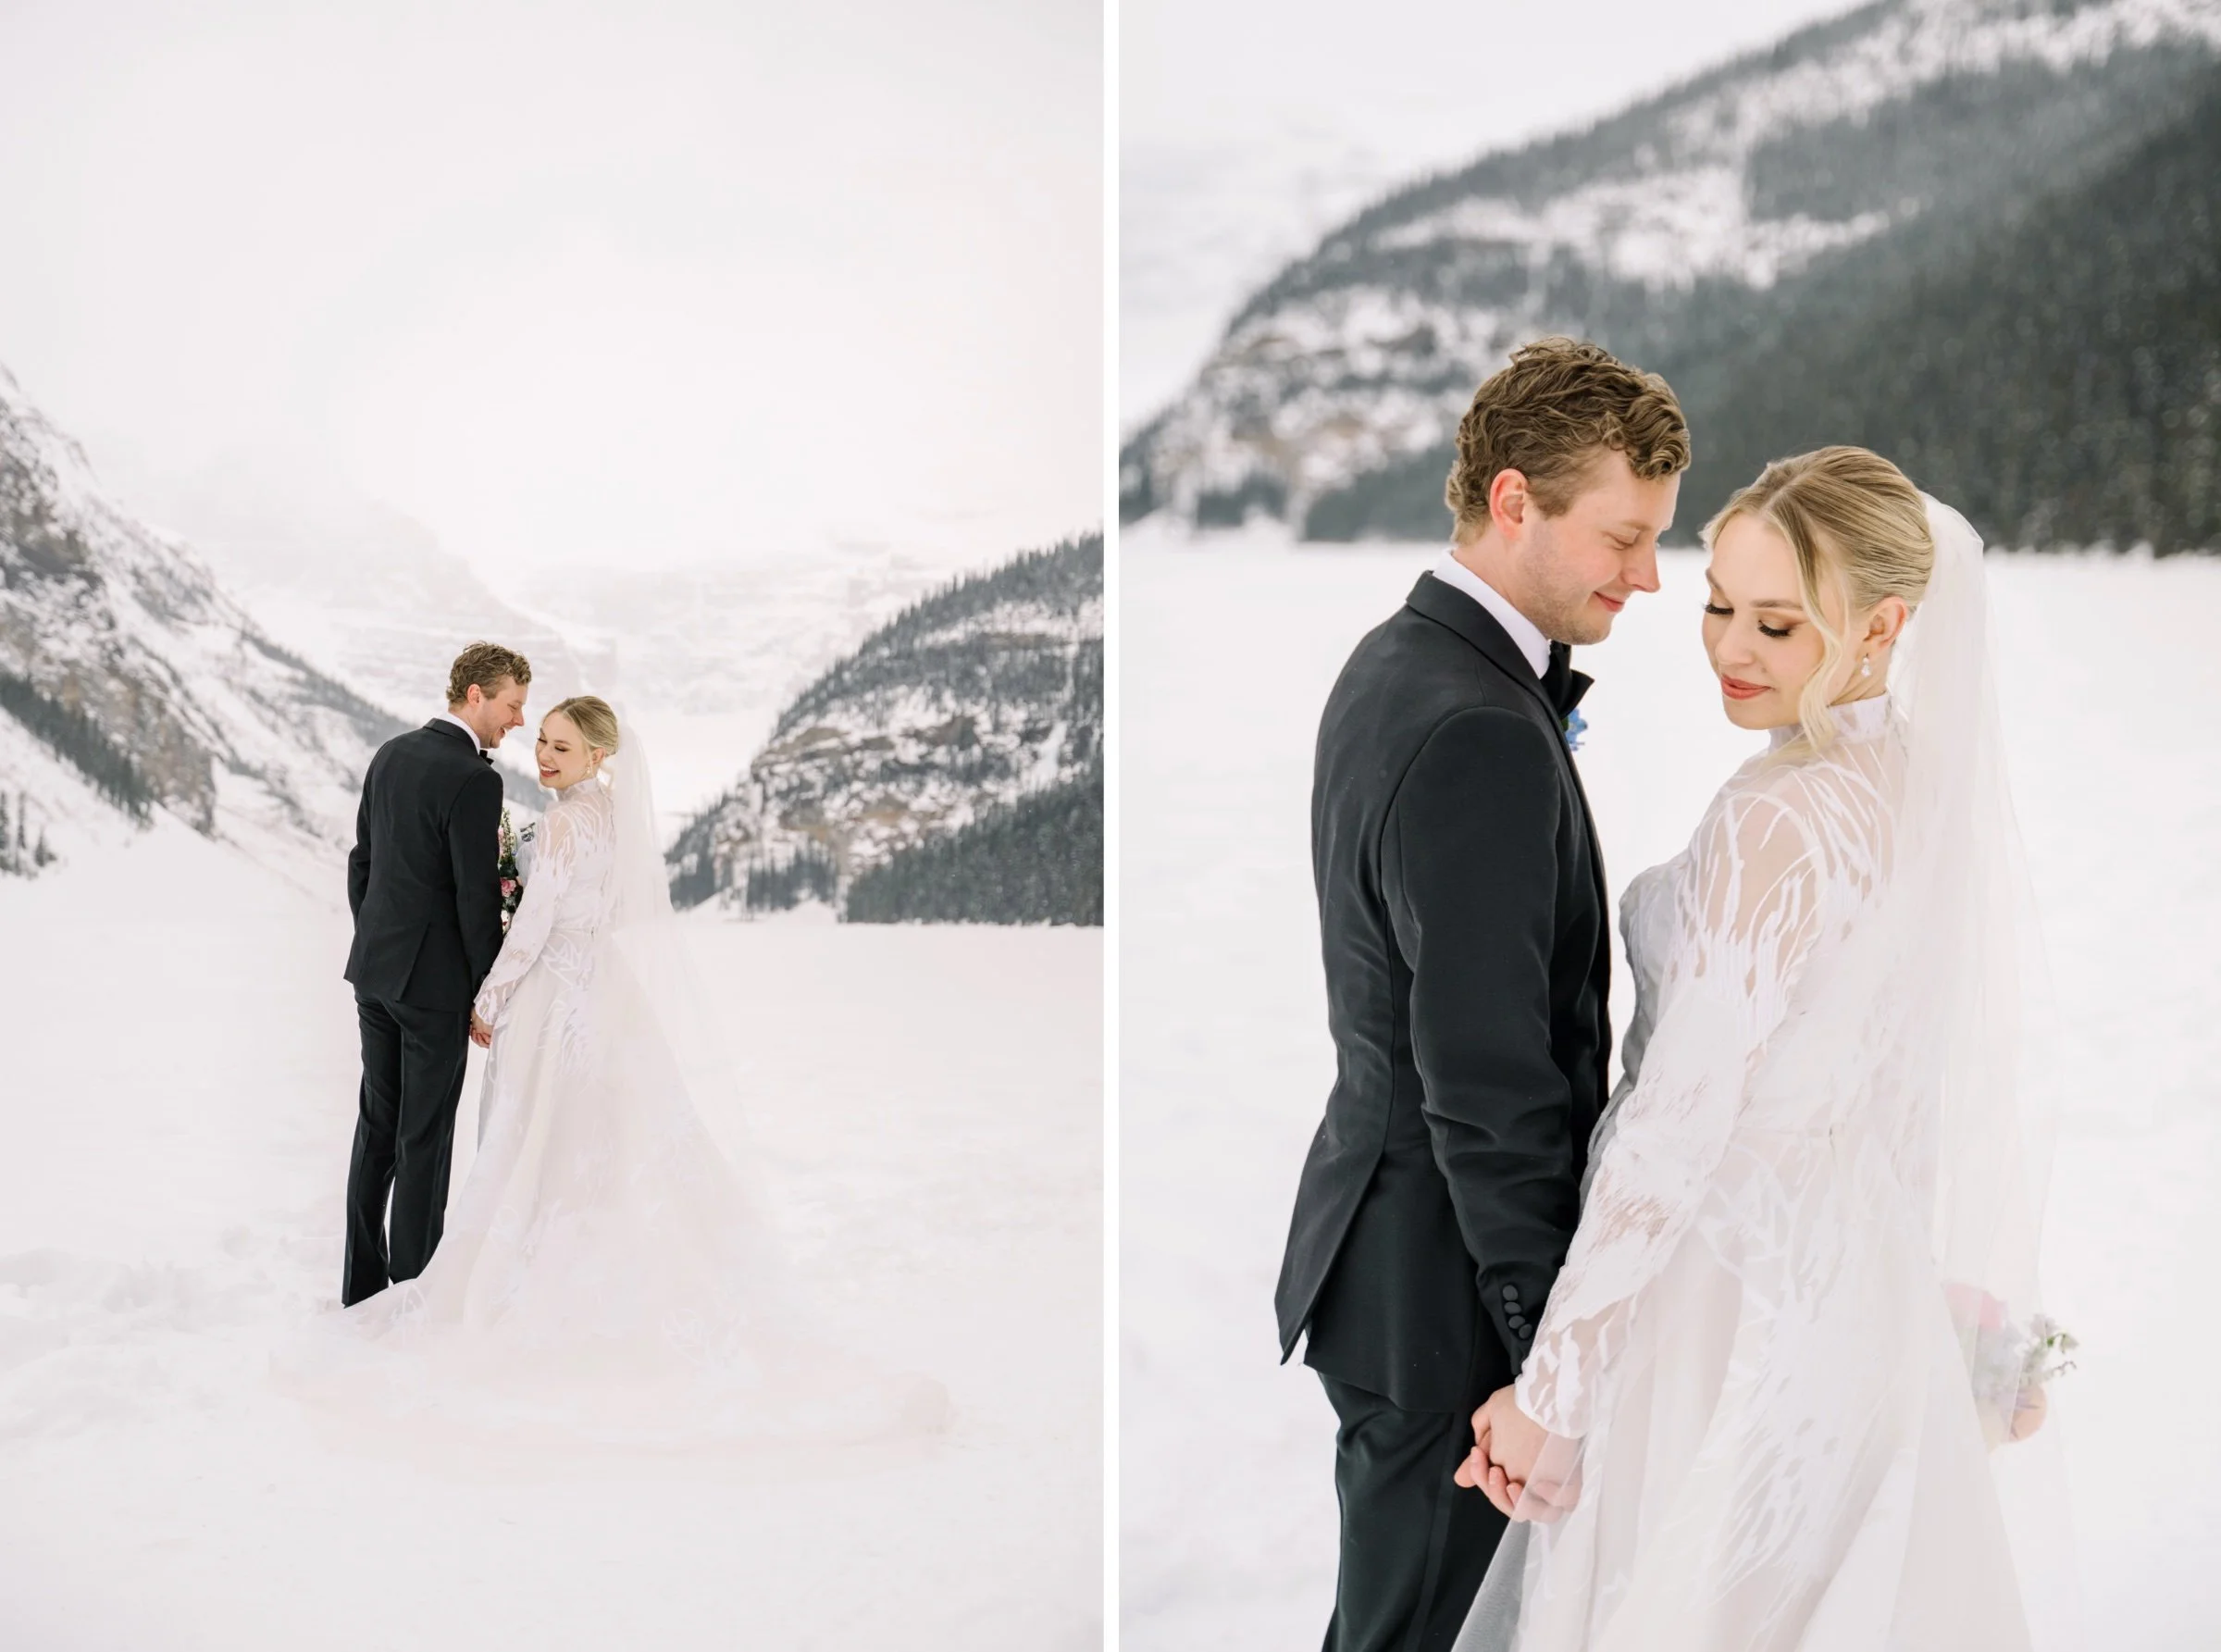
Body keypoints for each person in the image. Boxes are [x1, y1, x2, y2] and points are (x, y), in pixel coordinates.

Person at [1454, 449, 2066, 1650]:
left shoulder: (1777, 817)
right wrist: (1924, 1298)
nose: (1731, 649)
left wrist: (1553, 1397)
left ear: (1883, 624)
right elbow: (1902, 1078)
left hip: (1726, 1297)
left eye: (1777, 623)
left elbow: (1676, 1136)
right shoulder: (1916, 785)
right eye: (1720, 607)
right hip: (1856, 1278)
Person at [1275, 339, 1691, 1651]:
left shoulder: (1398, 658)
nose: (1648, 575)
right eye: (1622, 538)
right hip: (1449, 1308)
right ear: (1515, 502)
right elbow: (1488, 1080)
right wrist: (1543, 1357)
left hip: (1395, 1267)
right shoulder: (1476, 731)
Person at [297, 696, 942, 1449]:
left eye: (562, 749)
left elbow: (535, 922)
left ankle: (506, 1280)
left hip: (551, 998)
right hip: (601, 990)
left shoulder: (567, 823)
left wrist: (490, 997)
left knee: (531, 1134)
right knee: (586, 1138)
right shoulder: (605, 814)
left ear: (599, 757)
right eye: (541, 740)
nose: (543, 756)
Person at [341, 641, 529, 1307]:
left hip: (375, 975)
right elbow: (475, 900)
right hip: (435, 988)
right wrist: (487, 990)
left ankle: (362, 1286)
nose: (517, 721)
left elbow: (362, 864)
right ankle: (413, 1294)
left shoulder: (389, 753)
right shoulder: (475, 779)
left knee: (377, 1126)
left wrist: (375, 944)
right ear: (475, 695)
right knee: (424, 1137)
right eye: (511, 705)